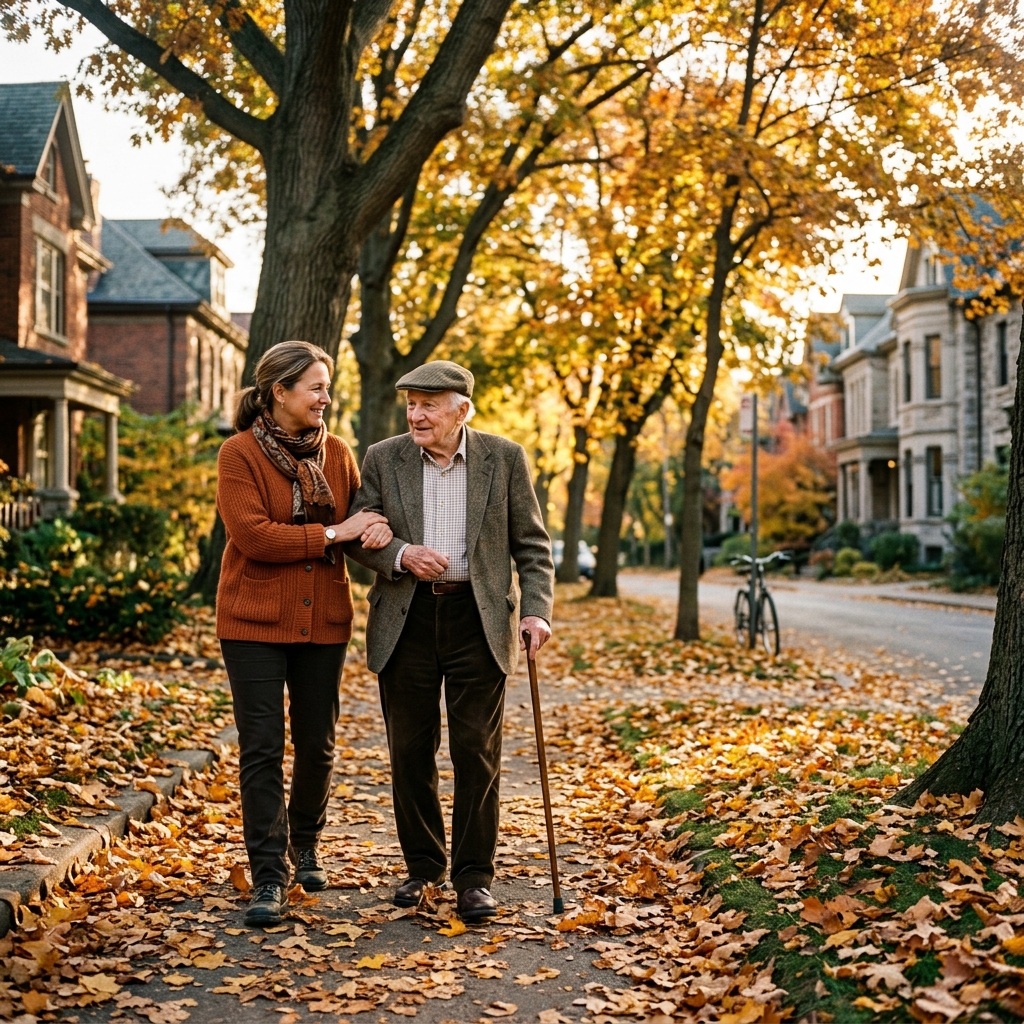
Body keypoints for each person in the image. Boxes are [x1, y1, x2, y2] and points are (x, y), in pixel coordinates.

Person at [347, 360, 555, 922]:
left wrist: (536, 612)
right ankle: (422, 868)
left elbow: (532, 547)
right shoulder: (383, 458)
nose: (416, 414)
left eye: (429, 405)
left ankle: (472, 877)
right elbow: (357, 535)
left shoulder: (503, 458)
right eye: (412, 404)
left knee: (475, 751)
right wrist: (399, 555)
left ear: (462, 409)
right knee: (410, 751)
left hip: (477, 618)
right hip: (407, 617)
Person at [216, 340, 393, 927]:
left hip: (323, 621)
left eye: (327, 386)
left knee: (317, 743)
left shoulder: (339, 454)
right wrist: (334, 534)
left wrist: (385, 539)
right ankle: (268, 875)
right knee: (262, 749)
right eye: (315, 387)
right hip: (251, 623)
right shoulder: (238, 454)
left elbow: (362, 529)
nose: (326, 397)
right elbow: (256, 538)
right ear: (279, 393)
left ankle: (304, 844)